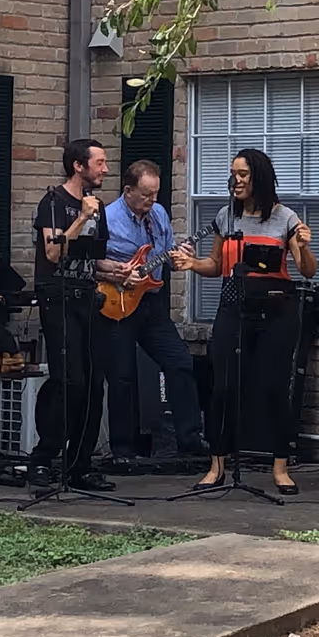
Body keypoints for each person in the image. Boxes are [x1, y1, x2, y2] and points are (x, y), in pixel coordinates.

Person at [169, 148, 316, 494]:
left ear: (260, 177)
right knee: (223, 387)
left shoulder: (285, 218)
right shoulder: (226, 217)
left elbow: (306, 270)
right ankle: (217, 465)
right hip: (233, 307)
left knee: (274, 387)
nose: (236, 180)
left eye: (243, 174)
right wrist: (192, 265)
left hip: (276, 310)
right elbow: (217, 265)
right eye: (233, 173)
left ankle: (280, 467)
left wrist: (305, 247)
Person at [98, 160, 207, 460]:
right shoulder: (107, 219)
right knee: (121, 376)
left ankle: (190, 440)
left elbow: (167, 254)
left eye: (155, 193)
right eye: (146, 195)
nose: (152, 200)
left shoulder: (158, 214)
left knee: (180, 361)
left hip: (151, 301)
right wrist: (118, 273)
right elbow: (90, 263)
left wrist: (182, 257)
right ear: (128, 190)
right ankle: (122, 449)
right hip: (117, 302)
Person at [28, 138, 118, 492]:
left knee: (95, 383)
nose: (105, 169)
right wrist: (81, 215)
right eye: (99, 163)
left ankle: (80, 464)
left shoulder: (100, 207)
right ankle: (43, 457)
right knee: (70, 382)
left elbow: (94, 259)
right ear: (78, 166)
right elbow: (53, 253)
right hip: (58, 298)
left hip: (88, 298)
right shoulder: (53, 202)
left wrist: (120, 271)